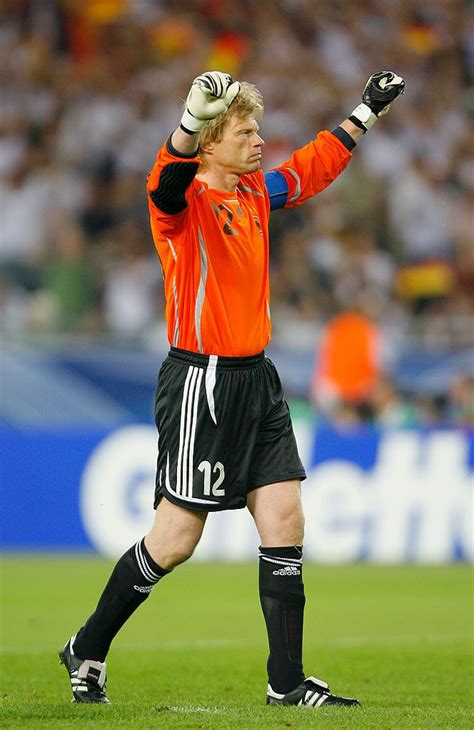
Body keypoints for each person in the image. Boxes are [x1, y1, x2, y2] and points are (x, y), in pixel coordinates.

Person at [60, 69, 405, 708]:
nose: (258, 142)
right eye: (245, 132)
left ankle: (287, 683)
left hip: (258, 379)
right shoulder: (181, 204)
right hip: (203, 381)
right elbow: (164, 177)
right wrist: (189, 122)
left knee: (284, 518)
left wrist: (366, 110)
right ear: (211, 146)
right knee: (175, 539)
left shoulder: (252, 193)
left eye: (257, 130)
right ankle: (88, 646)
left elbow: (311, 167)